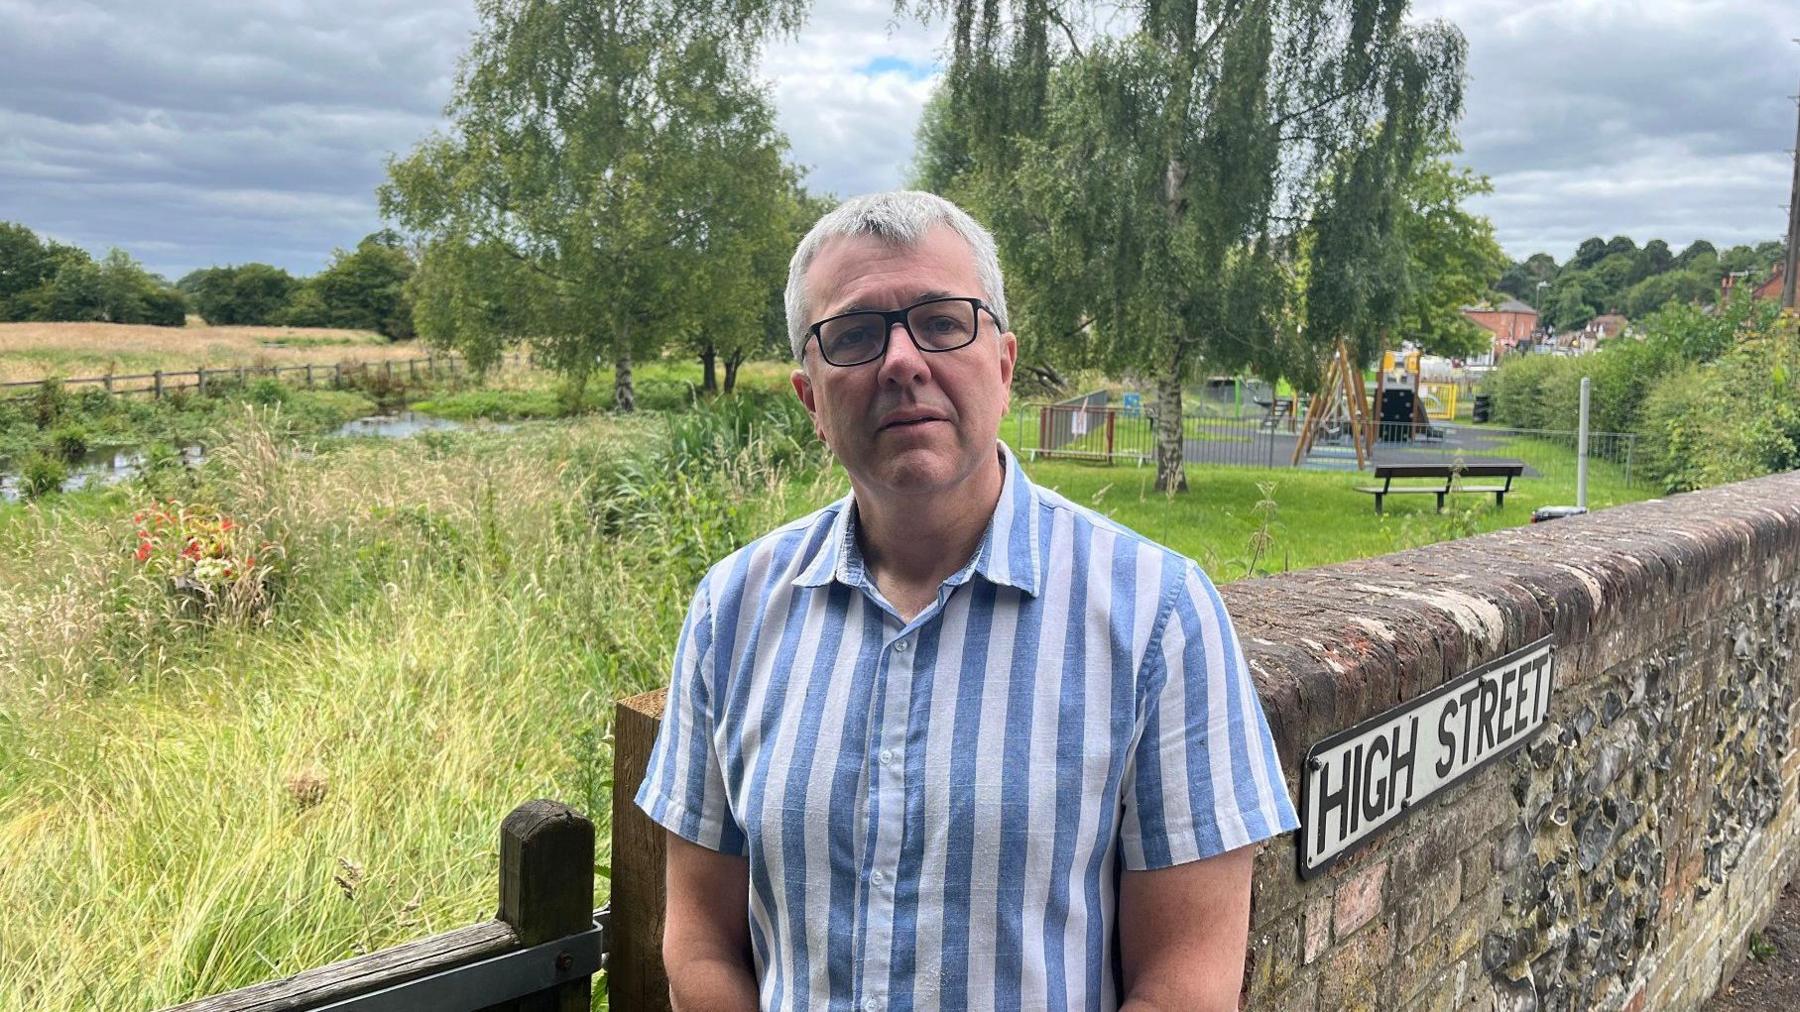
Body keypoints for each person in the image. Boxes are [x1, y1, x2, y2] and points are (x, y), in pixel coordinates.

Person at [637, 190, 1297, 1011]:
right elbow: (699, 942)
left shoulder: (1158, 615)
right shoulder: (730, 613)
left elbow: (1186, 983)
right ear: (811, 400)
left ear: (1005, 365)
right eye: (852, 336)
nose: (903, 361)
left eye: (943, 321)